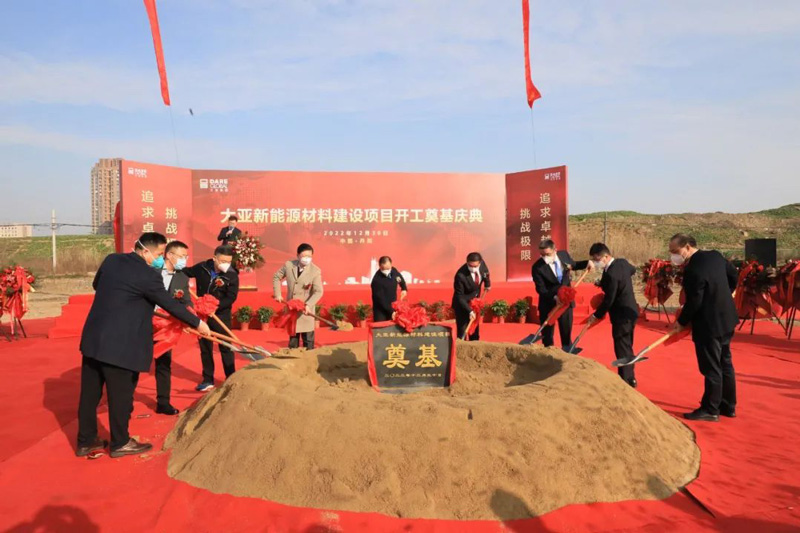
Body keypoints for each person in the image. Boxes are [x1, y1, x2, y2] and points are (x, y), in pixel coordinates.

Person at [77, 232, 210, 459]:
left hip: (94, 338)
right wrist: (198, 323)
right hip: (121, 345)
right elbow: (169, 304)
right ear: (146, 251)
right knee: (121, 396)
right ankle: (120, 443)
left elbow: (97, 284)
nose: (160, 258)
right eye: (159, 254)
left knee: (89, 396)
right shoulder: (148, 275)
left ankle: (86, 441)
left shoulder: (112, 260)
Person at [669, 233, 738, 422]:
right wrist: (726, 293)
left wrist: (681, 321)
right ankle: (728, 405)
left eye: (675, 251)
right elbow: (733, 274)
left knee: (711, 367)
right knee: (725, 362)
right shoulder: (715, 255)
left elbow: (694, 301)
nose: (673, 255)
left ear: (687, 246)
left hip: (709, 324)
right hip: (727, 318)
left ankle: (710, 409)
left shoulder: (693, 269)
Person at [184, 245, 240, 392]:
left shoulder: (232, 274)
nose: (226, 264)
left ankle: (230, 378)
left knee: (226, 347)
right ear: (215, 258)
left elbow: (231, 297)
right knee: (205, 348)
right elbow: (185, 272)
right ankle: (208, 379)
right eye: (222, 261)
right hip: (202, 316)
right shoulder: (202, 267)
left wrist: (216, 306)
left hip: (220, 315)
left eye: (228, 261)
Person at [584, 243, 640, 387]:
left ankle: (626, 380)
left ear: (606, 256)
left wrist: (597, 315)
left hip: (621, 314)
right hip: (631, 310)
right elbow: (632, 270)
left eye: (597, 259)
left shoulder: (612, 274)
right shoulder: (622, 263)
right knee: (627, 345)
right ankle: (630, 377)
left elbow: (609, 299)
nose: (596, 262)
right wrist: (605, 283)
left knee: (622, 347)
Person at [153, 240, 192, 415]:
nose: (184, 260)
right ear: (169, 255)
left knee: (164, 363)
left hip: (165, 327)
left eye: (186, 257)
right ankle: (125, 401)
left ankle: (163, 402)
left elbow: (186, 301)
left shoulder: (182, 277)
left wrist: (190, 319)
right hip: (143, 322)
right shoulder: (151, 272)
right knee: (135, 362)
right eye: (182, 256)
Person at [273, 243, 324, 349]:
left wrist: (308, 304)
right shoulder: (289, 265)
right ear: (298, 255)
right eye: (304, 256)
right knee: (293, 342)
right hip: (292, 311)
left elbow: (318, 291)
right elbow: (276, 277)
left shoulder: (315, 271)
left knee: (308, 344)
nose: (306, 259)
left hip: (306, 311)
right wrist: (278, 294)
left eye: (309, 256)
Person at [532, 239, 577, 351]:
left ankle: (567, 353)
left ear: (555, 250)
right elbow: (541, 289)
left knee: (566, 333)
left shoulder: (563, 255)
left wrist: (588, 263)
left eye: (547, 254)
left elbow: (574, 265)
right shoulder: (537, 267)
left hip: (565, 303)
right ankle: (548, 356)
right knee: (547, 337)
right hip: (548, 303)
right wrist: (554, 297)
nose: (545, 257)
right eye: (542, 255)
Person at [452, 252, 491, 340]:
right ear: (467, 262)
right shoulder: (460, 275)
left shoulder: (482, 264)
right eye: (470, 266)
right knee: (462, 331)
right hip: (462, 304)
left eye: (475, 266)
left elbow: (486, 273)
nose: (473, 268)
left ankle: (474, 342)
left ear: (479, 263)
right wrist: (469, 311)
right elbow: (459, 297)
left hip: (475, 303)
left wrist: (487, 284)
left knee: (474, 329)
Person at [371, 256, 408, 322]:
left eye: (388, 268)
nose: (387, 271)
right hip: (381, 309)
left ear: (391, 264)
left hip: (392, 305)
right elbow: (380, 299)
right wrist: (391, 311)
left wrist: (404, 289)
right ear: (380, 266)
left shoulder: (394, 271)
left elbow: (400, 279)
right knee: (381, 326)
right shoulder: (376, 280)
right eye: (384, 269)